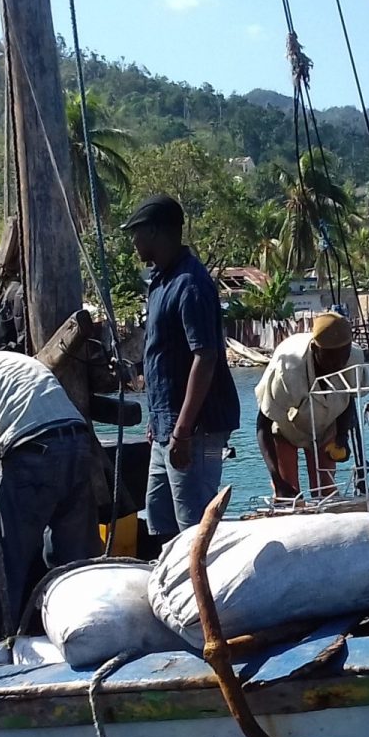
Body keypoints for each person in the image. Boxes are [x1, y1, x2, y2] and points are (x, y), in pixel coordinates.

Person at [123, 194, 240, 544]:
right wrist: (157, 421)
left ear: (158, 232)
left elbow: (205, 358)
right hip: (166, 425)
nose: (134, 242)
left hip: (194, 428)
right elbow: (164, 357)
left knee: (195, 526)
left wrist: (182, 431)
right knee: (159, 517)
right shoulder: (161, 282)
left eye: (137, 233)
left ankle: (203, 594)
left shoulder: (190, 284)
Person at [0, 347, 97, 630]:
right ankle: (81, 630)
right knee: (74, 559)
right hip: (79, 440)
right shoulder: (9, 360)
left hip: (32, 449)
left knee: (3, 563)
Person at [255, 312, 357, 499]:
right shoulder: (289, 369)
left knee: (327, 492)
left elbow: (349, 397)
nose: (338, 364)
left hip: (325, 425)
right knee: (289, 493)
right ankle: (284, 494)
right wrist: (276, 479)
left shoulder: (354, 359)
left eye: (344, 356)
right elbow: (263, 425)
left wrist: (342, 436)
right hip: (286, 426)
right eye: (331, 358)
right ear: (314, 348)